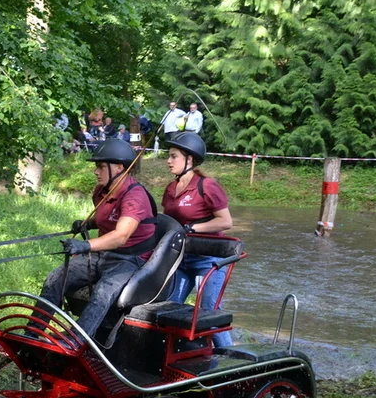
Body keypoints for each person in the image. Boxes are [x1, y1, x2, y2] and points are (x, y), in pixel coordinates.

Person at [40, 139, 157, 337]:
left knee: (102, 293)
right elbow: (108, 218)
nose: (96, 171)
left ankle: (77, 341)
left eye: (102, 166)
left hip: (130, 260)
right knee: (56, 278)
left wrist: (85, 245)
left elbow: (121, 236)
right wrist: (88, 224)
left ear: (119, 167)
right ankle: (33, 331)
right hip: (103, 255)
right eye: (96, 166)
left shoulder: (134, 196)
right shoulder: (102, 191)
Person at [161, 132, 234, 347]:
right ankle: (176, 357)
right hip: (181, 260)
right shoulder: (170, 188)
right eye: (169, 156)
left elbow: (225, 222)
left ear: (189, 159)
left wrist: (193, 227)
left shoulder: (207, 186)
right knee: (169, 308)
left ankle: (231, 360)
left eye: (174, 156)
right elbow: (167, 221)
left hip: (209, 260)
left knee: (208, 313)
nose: (168, 161)